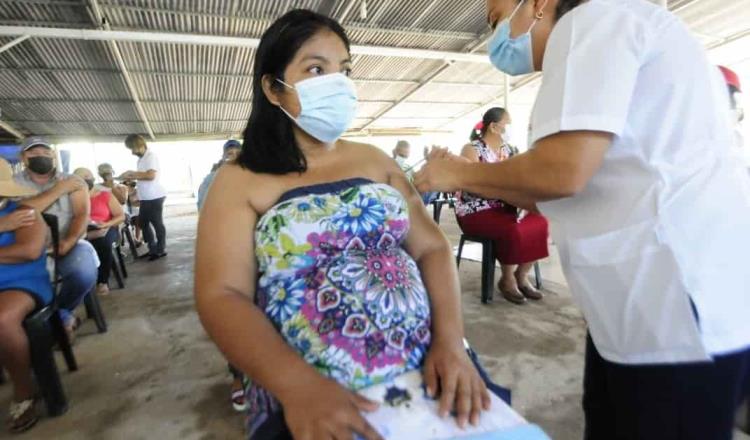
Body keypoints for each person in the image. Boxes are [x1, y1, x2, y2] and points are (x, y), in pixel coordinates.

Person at [415, 0, 750, 438]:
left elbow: (562, 172)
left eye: (496, 20)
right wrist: (472, 177)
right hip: (639, 305)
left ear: (537, 5)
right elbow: (553, 192)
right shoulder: (596, 39)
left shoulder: (595, 19)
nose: (494, 38)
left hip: (674, 307)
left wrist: (459, 173)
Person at [194, 10, 490, 440]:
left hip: (427, 368)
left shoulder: (375, 159)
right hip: (311, 390)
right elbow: (221, 294)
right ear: (274, 88)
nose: (338, 83)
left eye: (344, 69)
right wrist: (298, 387)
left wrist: (451, 343)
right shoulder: (239, 179)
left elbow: (432, 248)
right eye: (316, 69)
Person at [455, 107, 548, 304]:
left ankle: (520, 276)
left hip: (507, 206)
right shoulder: (471, 149)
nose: (510, 128)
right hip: (476, 210)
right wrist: (506, 192)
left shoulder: (509, 150)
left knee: (540, 220)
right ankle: (506, 280)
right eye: (508, 124)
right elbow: (472, 185)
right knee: (510, 228)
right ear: (494, 127)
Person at [14, 137, 97, 338]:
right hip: (25, 248)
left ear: (52, 154)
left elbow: (81, 215)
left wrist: (68, 242)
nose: (40, 155)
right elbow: (21, 212)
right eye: (33, 152)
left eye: (45, 151)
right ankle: (51, 319)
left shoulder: (74, 181)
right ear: (23, 158)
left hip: (68, 242)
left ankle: (61, 310)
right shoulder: (11, 184)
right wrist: (58, 190)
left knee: (83, 272)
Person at [0, 158, 50, 433]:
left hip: (22, 283)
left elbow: (29, 251)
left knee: (3, 318)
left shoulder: (25, 213)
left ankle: (23, 391)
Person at [74, 168, 125, 296]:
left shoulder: (104, 195)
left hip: (107, 228)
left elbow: (120, 216)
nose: (85, 180)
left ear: (93, 178)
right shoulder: (72, 199)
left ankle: (102, 281)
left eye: (88, 176)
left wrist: (106, 224)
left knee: (102, 242)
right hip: (84, 231)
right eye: (81, 178)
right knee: (74, 245)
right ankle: (81, 282)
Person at [119, 135, 167, 261]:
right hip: (146, 197)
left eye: (133, 148)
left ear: (140, 145)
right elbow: (143, 175)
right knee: (143, 223)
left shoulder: (150, 156)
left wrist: (132, 173)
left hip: (154, 196)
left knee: (156, 223)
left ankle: (160, 250)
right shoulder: (142, 159)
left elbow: (151, 176)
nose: (132, 152)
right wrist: (132, 176)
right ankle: (152, 249)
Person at [197, 139, 242, 211]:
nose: (234, 157)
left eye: (238, 154)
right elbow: (202, 206)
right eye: (230, 153)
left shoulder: (246, 177)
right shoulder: (211, 178)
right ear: (223, 157)